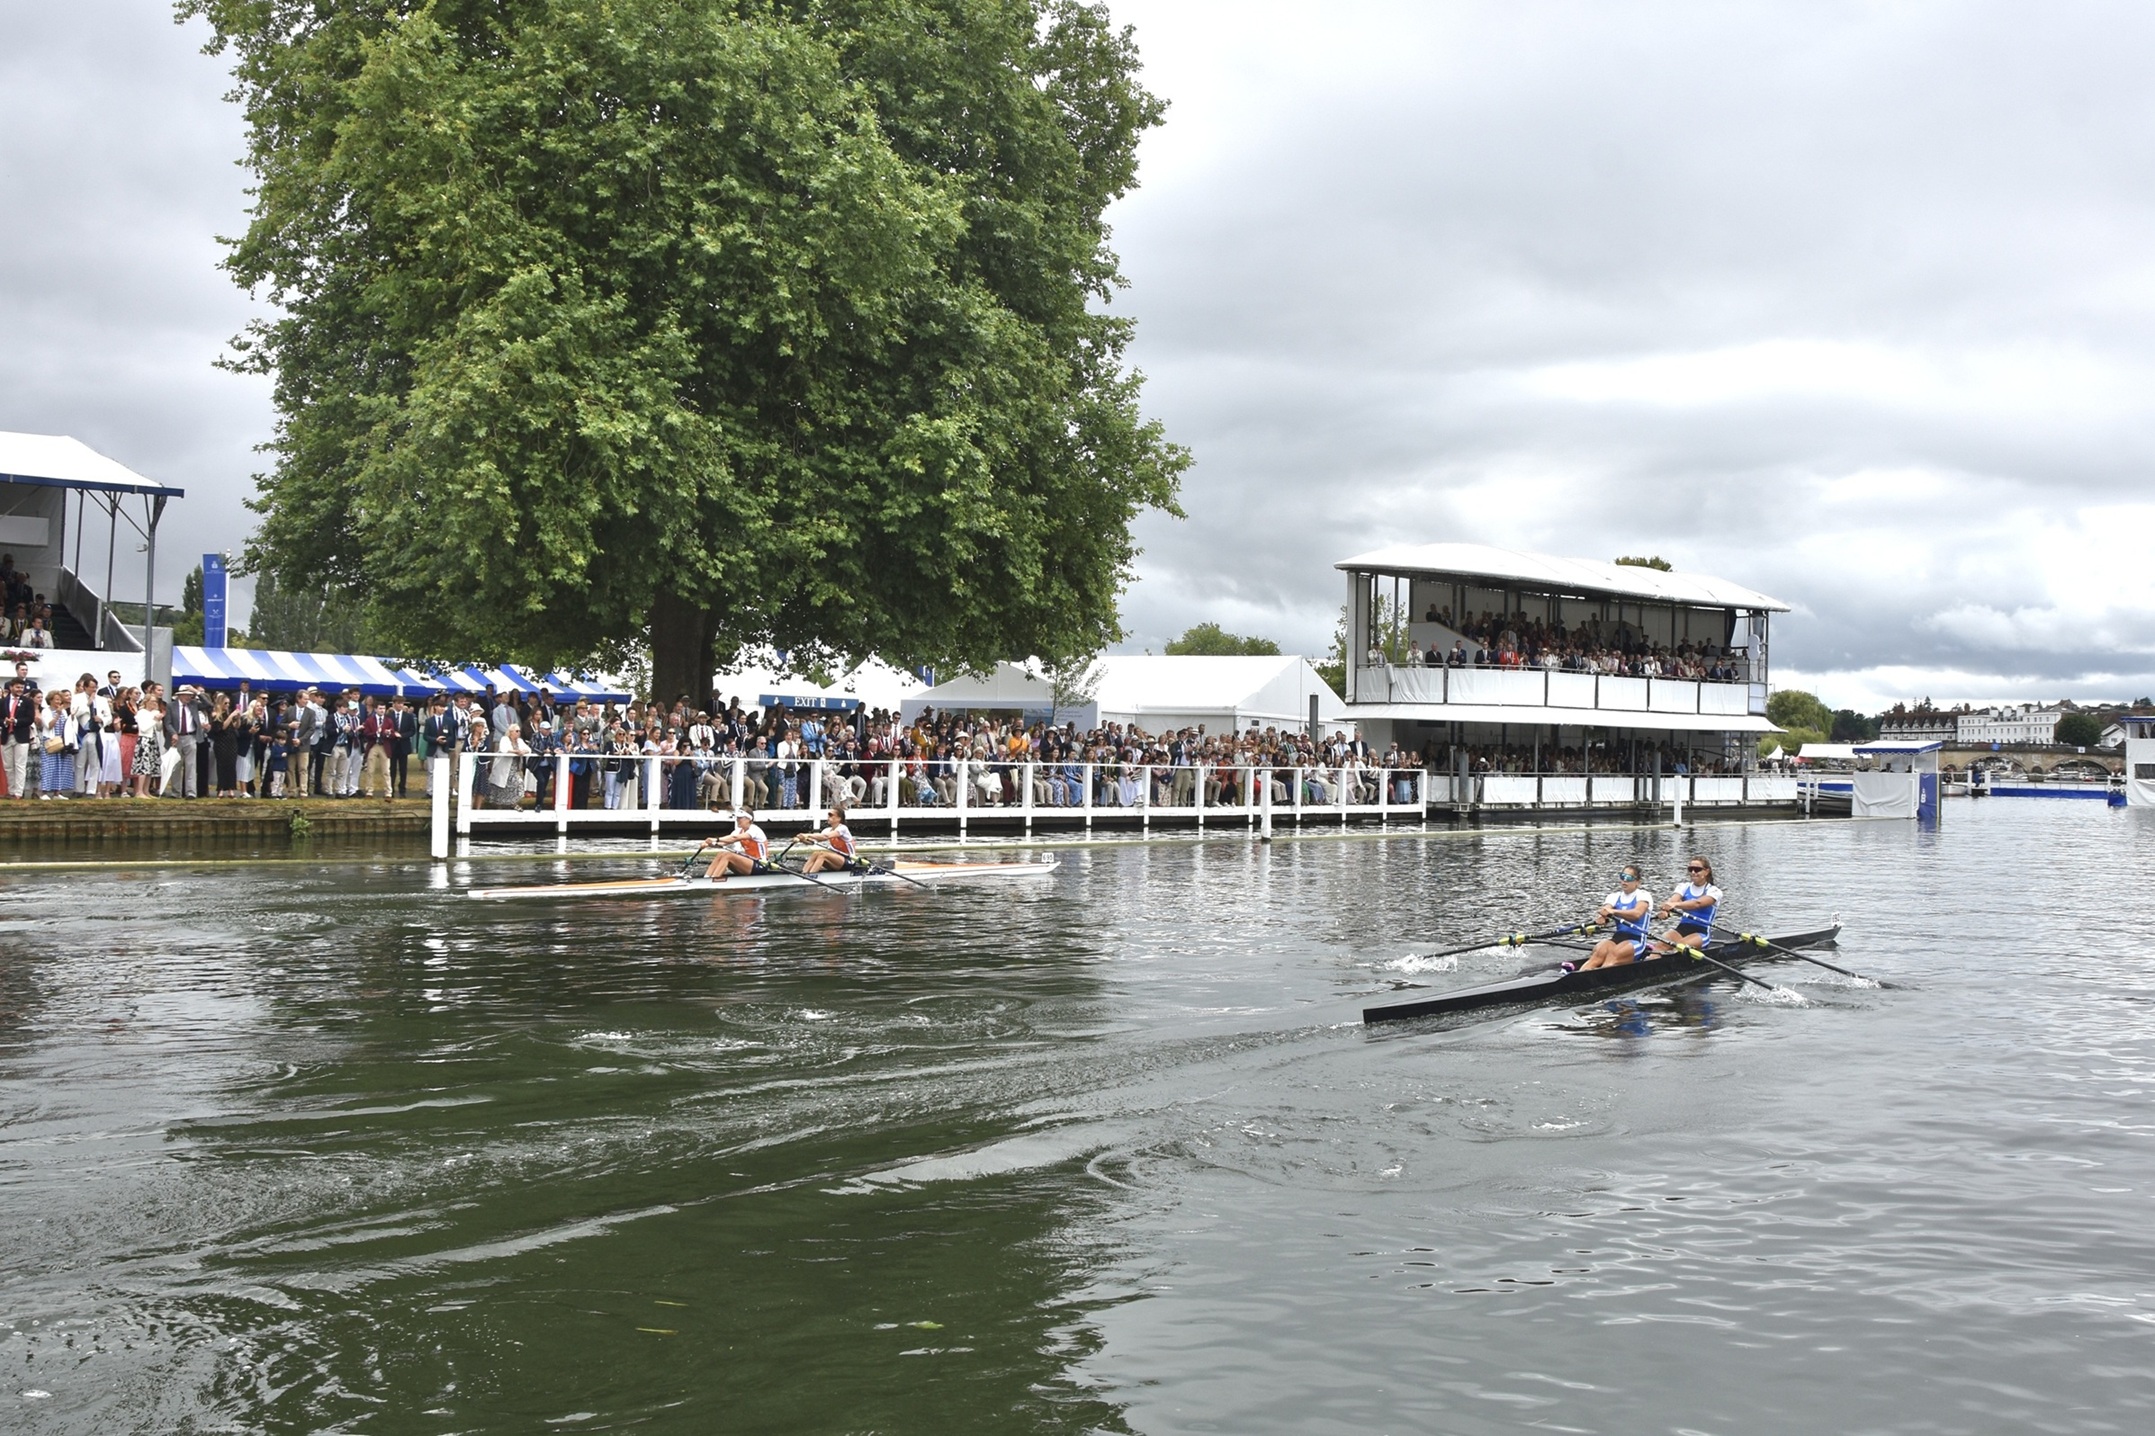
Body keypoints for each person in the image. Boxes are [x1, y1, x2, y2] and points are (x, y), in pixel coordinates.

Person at [1572, 864, 1654, 970]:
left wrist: (1613, 911)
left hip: (1636, 940)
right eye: (1622, 877)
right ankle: (1579, 975)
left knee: (1613, 955)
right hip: (1617, 938)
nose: (1624, 881)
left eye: (1628, 878)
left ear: (1638, 882)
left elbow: (1637, 914)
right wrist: (1602, 917)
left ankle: (1599, 974)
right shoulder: (1613, 897)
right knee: (1598, 953)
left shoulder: (1643, 895)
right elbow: (1606, 910)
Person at [1648, 858, 1722, 953]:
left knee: (1680, 947)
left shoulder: (1714, 891)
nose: (1693, 872)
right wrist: (1665, 911)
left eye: (1697, 869)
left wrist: (1674, 905)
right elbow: (1673, 900)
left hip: (1701, 932)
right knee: (1660, 945)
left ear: (1706, 871)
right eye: (1690, 869)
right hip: (1682, 929)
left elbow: (1697, 903)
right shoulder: (1684, 887)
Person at [697, 809, 772, 880]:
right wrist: (708, 844)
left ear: (749, 819)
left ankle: (714, 879)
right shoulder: (739, 831)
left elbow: (734, 838)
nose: (737, 820)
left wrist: (716, 839)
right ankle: (706, 878)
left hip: (760, 865)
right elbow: (722, 843)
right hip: (749, 864)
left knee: (728, 855)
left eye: (740, 818)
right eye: (737, 817)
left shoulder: (755, 830)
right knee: (721, 854)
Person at [798, 806, 865, 874]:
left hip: (849, 861)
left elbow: (825, 836)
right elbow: (811, 842)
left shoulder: (843, 828)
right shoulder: (827, 830)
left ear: (839, 818)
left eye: (831, 815)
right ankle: (804, 873)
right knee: (815, 854)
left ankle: (812, 875)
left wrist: (807, 835)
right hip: (838, 861)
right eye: (828, 815)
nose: (828, 817)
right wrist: (802, 839)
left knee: (822, 855)